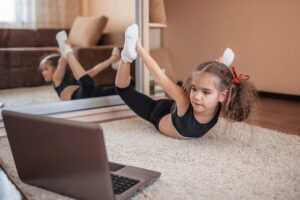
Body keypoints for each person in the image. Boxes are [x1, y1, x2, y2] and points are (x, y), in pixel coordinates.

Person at [115, 24, 257, 139]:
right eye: (194, 88)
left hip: (176, 111)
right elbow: (158, 75)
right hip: (157, 112)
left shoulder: (220, 104)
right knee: (123, 89)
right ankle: (127, 56)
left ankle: (221, 66)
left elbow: (235, 108)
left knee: (205, 86)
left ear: (222, 96)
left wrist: (221, 68)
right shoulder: (186, 101)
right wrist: (139, 48)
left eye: (206, 92)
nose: (196, 96)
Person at [39, 31, 122, 101]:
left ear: (55, 67)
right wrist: (64, 53)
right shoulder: (57, 79)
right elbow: (61, 66)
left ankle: (116, 63)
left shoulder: (74, 76)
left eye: (45, 69)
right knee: (88, 83)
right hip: (78, 97)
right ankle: (67, 51)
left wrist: (112, 59)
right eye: (42, 70)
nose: (43, 72)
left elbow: (94, 70)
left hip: (94, 93)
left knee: (123, 88)